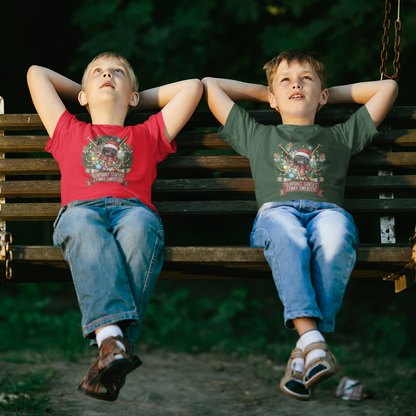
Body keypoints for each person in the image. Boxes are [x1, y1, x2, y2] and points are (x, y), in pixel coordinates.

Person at [202, 50, 398, 401]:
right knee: (291, 236)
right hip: (277, 215)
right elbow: (210, 85)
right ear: (273, 98)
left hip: (328, 213)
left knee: (337, 237)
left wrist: (324, 91)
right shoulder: (256, 135)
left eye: (306, 79)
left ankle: (305, 351)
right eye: (286, 81)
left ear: (322, 95)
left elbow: (388, 89)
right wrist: (267, 93)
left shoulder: (341, 135)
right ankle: (313, 342)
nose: (296, 84)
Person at [27, 52, 203, 402]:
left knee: (141, 227)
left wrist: (131, 95)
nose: (107, 75)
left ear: (134, 97)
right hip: (81, 212)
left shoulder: (149, 133)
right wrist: (94, 89)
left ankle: (111, 346)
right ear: (82, 97)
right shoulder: (67, 129)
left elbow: (192, 87)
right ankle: (117, 342)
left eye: (117, 73)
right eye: (98, 73)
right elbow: (36, 74)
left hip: (134, 212)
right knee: (82, 223)